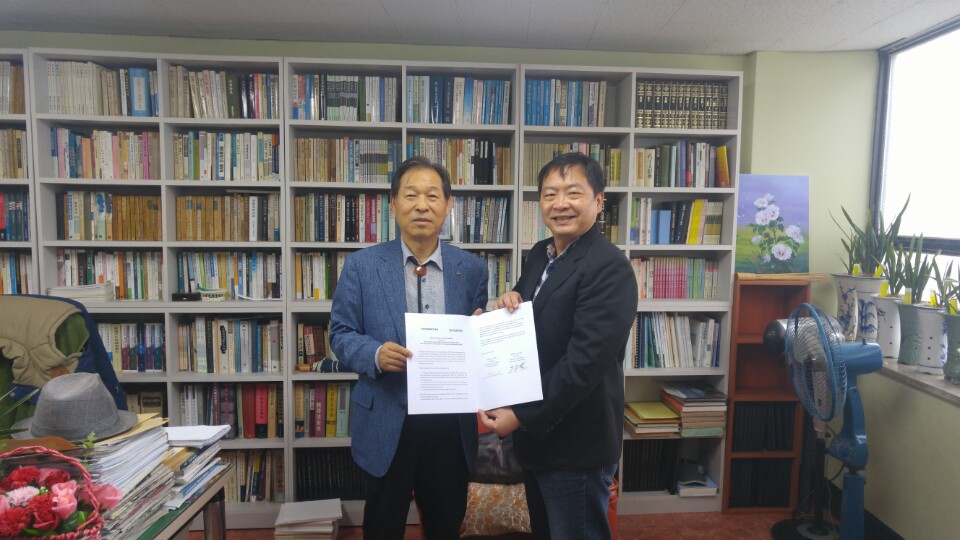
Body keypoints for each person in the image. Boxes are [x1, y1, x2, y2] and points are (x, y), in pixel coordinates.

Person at [479, 152, 638, 539]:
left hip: (577, 445)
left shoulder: (609, 267)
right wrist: (507, 301)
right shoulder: (541, 254)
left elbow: (583, 365)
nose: (560, 203)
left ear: (598, 201)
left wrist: (520, 415)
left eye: (573, 193)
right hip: (539, 441)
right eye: (550, 194)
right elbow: (528, 309)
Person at [329, 156, 488, 539]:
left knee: (445, 525)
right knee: (382, 527)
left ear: (448, 205)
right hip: (387, 418)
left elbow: (476, 337)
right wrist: (375, 354)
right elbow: (340, 333)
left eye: (433, 196)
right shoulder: (362, 266)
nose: (422, 205)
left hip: (449, 427)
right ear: (393, 203)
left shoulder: (472, 269)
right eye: (411, 195)